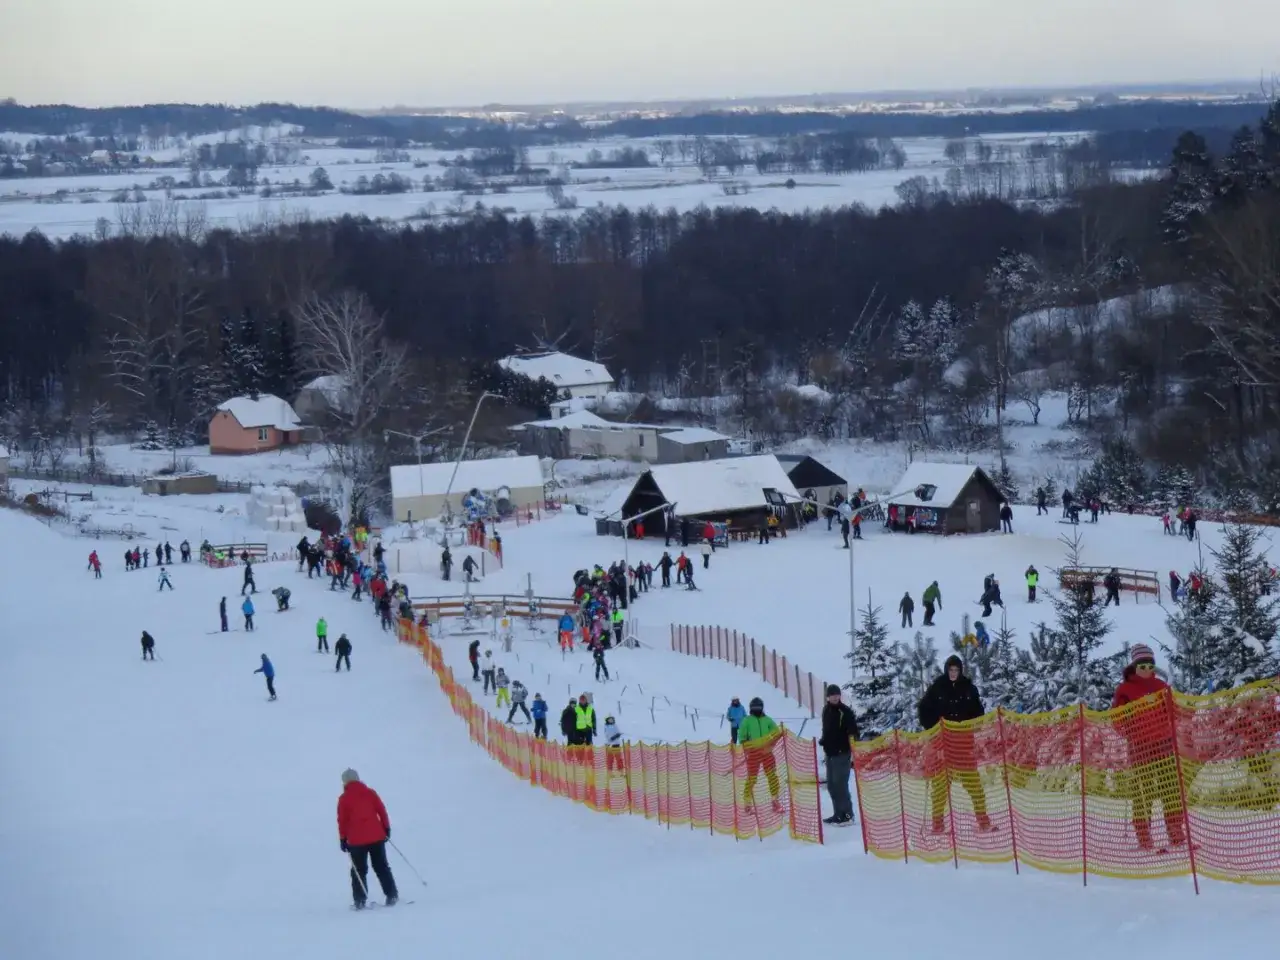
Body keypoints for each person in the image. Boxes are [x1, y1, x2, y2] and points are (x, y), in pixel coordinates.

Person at [1112, 645, 1186, 851]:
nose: (1146, 669)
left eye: (1149, 665)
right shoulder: (1125, 689)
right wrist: (1129, 733)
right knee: (1143, 793)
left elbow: (1173, 712)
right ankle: (1144, 837)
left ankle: (1176, 834)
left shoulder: (1161, 686)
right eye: (1141, 665)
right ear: (1134, 667)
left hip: (1164, 746)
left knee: (1171, 791)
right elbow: (1116, 719)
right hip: (1140, 748)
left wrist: (1174, 721)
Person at [917, 655, 989, 833]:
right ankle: (938, 824)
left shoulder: (969, 688)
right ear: (946, 670)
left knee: (974, 785)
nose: (953, 673)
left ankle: (983, 821)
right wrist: (932, 727)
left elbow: (978, 711)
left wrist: (974, 723)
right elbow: (923, 709)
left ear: (960, 670)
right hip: (942, 743)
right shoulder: (938, 687)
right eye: (951, 670)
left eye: (956, 670)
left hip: (964, 743)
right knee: (940, 786)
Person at [337, 769, 399, 909]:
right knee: (382, 867)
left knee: (358, 871)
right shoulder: (370, 793)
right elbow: (381, 810)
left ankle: (360, 900)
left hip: (356, 841)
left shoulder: (344, 798)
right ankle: (392, 895)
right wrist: (386, 828)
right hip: (376, 836)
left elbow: (342, 821)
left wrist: (342, 839)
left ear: (345, 782)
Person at [819, 684, 858, 826]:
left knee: (841, 784)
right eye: (832, 695)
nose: (835, 697)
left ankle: (847, 814)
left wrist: (852, 748)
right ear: (828, 697)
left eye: (837, 694)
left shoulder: (845, 711)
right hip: (830, 753)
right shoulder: (826, 710)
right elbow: (827, 729)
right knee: (831, 785)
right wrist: (824, 740)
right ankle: (838, 814)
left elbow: (853, 731)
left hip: (842, 753)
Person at [738, 697, 783, 814]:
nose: (756, 709)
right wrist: (749, 749)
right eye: (754, 708)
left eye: (759, 707)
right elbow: (742, 738)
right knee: (752, 778)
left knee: (772, 777)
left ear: (762, 708)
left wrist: (770, 745)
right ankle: (747, 804)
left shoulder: (767, 720)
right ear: (751, 709)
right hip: (753, 754)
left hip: (767, 753)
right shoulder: (747, 721)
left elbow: (777, 733)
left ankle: (775, 801)